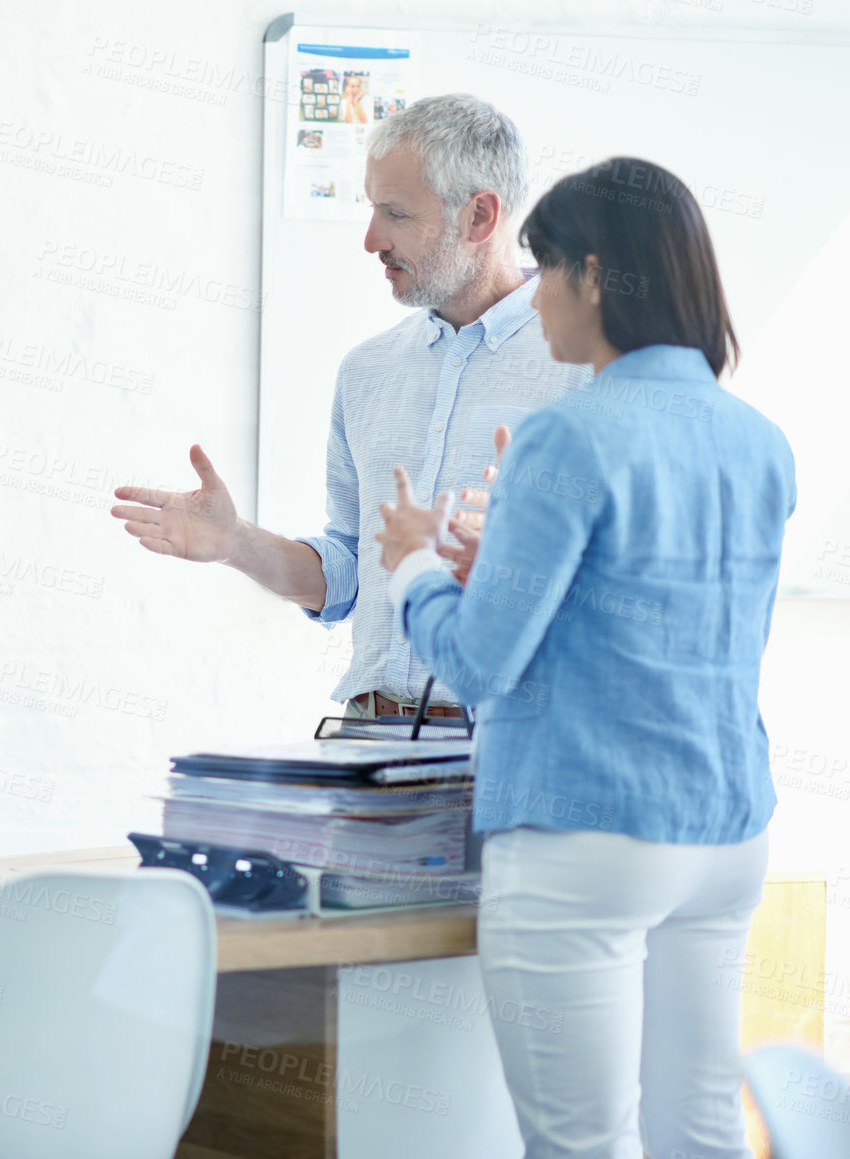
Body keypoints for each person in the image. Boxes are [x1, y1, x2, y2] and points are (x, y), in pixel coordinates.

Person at [376, 158, 794, 1158]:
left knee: (580, 1145)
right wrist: (505, 568)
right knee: (699, 1133)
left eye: (545, 267)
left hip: (585, 837)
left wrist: (412, 567)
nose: (536, 293)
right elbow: (661, 613)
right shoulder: (759, 441)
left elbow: (479, 666)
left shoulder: (569, 437)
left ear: (596, 276)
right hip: (725, 834)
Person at [110, 94, 589, 718]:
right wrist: (236, 543)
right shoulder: (369, 372)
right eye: (372, 209)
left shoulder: (588, 369)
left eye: (395, 213)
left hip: (513, 751)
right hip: (369, 736)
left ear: (479, 217)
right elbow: (351, 571)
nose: (371, 240)